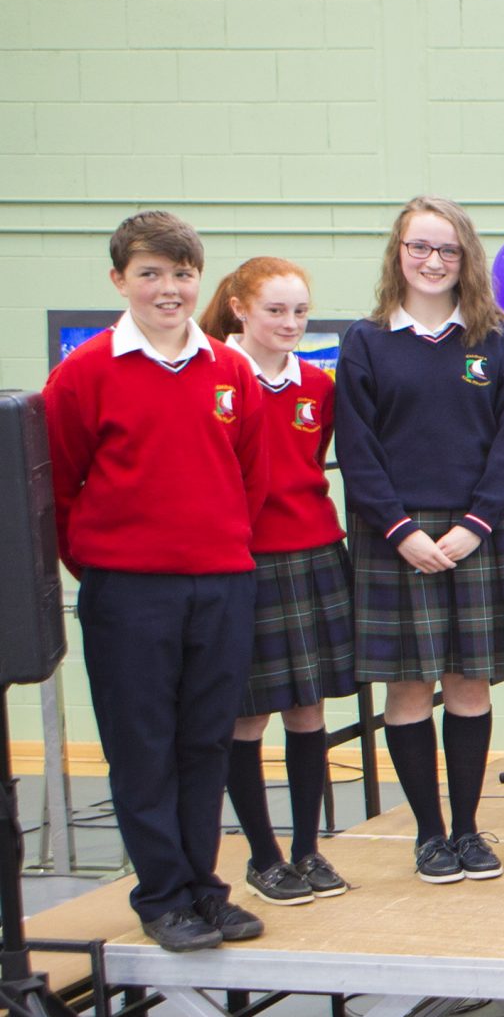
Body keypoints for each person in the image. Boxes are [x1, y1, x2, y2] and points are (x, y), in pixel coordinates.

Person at [46, 213, 270, 951]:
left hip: (221, 585)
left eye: (180, 274)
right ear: (120, 281)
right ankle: (162, 894)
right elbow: (60, 485)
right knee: (142, 746)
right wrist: (105, 563)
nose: (168, 289)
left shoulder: (231, 370)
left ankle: (204, 888)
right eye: (150, 273)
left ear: (198, 280)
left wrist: (221, 553)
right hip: (128, 592)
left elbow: (250, 478)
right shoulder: (84, 373)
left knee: (206, 742)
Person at [337, 196, 504, 885]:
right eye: (419, 247)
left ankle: (469, 828)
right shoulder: (366, 341)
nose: (432, 261)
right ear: (399, 253)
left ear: (465, 258)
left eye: (446, 249)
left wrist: (474, 525)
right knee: (411, 688)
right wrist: (399, 531)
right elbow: (356, 450)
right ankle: (428, 834)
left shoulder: (495, 338)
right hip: (396, 538)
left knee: (469, 683)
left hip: (475, 533)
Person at [204, 256, 354, 906]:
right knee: (248, 711)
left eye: (300, 311)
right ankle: (263, 856)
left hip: (316, 552)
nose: (290, 323)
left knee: (308, 706)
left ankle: (307, 849)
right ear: (239, 307)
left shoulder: (317, 387)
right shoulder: (215, 377)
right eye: (275, 310)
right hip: (246, 560)